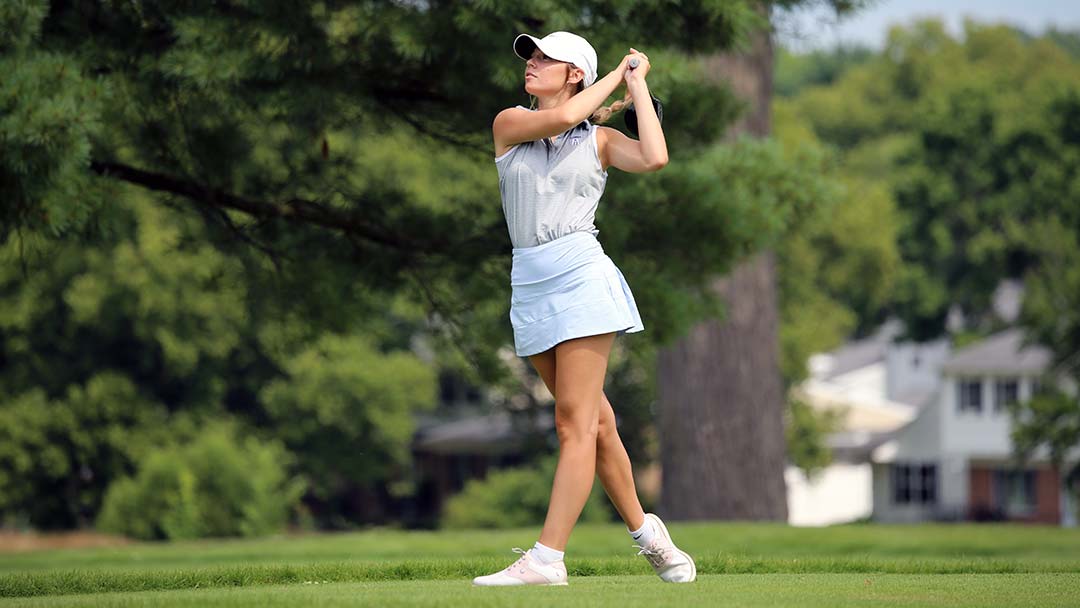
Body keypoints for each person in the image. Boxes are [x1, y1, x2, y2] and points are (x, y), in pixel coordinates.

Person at [472, 30, 696, 587]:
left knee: (573, 424)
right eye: (531, 56)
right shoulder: (510, 124)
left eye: (547, 58)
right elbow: (558, 118)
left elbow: (654, 155)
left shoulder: (596, 141)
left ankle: (547, 559)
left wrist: (635, 83)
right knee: (596, 423)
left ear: (575, 72)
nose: (533, 64)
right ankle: (649, 534)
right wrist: (615, 78)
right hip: (529, 284)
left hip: (581, 277)